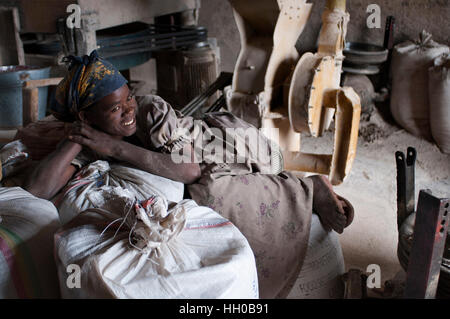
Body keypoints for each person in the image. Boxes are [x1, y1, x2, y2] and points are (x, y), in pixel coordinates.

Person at [23, 51, 353, 298]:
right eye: (115, 108)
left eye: (128, 99)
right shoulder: (90, 138)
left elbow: (188, 167)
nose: (128, 111)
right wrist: (76, 137)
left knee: (210, 192)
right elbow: (37, 190)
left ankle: (308, 187)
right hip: (166, 156)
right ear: (86, 117)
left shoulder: (151, 111)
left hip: (216, 147)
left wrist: (116, 148)